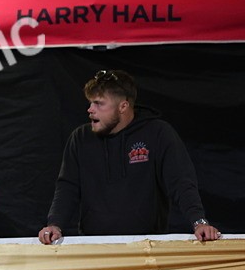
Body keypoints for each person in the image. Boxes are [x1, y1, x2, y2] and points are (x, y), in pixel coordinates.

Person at [38, 70, 221, 244]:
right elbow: (67, 187)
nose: (90, 109)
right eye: (90, 102)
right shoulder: (80, 139)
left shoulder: (158, 133)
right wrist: (55, 224)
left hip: (149, 246)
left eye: (99, 103)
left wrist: (199, 221)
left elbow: (180, 182)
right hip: (94, 246)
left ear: (123, 106)